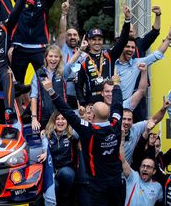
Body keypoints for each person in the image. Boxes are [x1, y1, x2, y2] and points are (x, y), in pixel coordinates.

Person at [42, 75, 125, 206]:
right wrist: (116, 85)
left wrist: (51, 91)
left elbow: (66, 111)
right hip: (117, 182)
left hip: (98, 184)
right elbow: (118, 104)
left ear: (92, 115)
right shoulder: (116, 124)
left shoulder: (89, 130)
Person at [9, 0, 65, 84]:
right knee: (17, 84)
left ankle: (43, 103)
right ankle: (19, 104)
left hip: (39, 49)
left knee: (44, 82)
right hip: (20, 47)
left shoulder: (45, 1)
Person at [76, 5, 131, 106]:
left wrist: (127, 20)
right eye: (94, 39)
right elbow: (79, 86)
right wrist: (83, 104)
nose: (97, 42)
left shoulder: (109, 54)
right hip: (92, 101)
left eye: (99, 39)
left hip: (109, 98)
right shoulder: (83, 59)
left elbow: (123, 40)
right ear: (88, 41)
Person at [30, 43, 86, 130]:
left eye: (56, 56)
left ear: (60, 59)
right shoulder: (38, 74)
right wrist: (34, 118)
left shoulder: (62, 73)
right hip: (44, 116)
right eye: (51, 56)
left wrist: (80, 50)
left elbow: (71, 63)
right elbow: (34, 97)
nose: (53, 59)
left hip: (61, 117)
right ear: (46, 57)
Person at [115, 29, 170, 101]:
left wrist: (168, 38)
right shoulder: (110, 63)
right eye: (127, 46)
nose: (130, 49)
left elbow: (157, 55)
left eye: (133, 47)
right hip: (109, 104)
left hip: (126, 105)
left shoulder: (137, 63)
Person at [42, 111, 79, 206]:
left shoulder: (71, 134)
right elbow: (44, 144)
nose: (60, 121)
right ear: (53, 122)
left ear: (67, 121)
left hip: (66, 168)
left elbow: (82, 130)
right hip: (51, 170)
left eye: (63, 119)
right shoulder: (47, 135)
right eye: (57, 119)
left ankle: (65, 198)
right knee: (55, 186)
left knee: (67, 174)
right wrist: (45, 151)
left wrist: (82, 115)